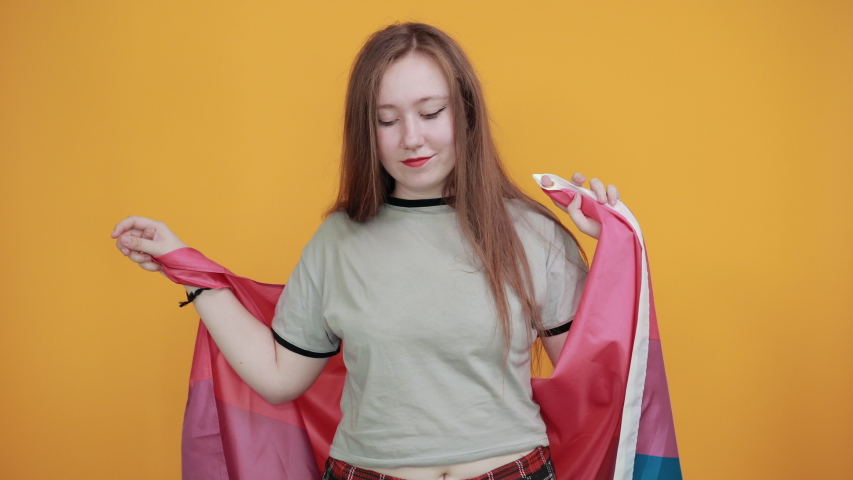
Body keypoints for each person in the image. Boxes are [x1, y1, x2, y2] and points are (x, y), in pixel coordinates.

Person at [112, 23, 619, 480]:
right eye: (386, 119)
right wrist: (188, 269)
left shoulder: (535, 234)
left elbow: (598, 386)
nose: (411, 138)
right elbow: (279, 376)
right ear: (366, 129)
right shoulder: (337, 241)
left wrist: (616, 252)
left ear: (464, 112)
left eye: (431, 112)